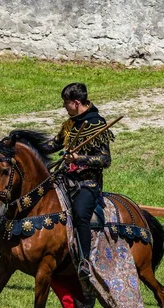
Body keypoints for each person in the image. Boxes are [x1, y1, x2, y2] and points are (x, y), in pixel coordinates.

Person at [41, 82, 115, 280]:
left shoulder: (97, 125)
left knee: (81, 215)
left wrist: (79, 159)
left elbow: (105, 160)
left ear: (76, 102)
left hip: (87, 184)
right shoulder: (69, 124)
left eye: (66, 103)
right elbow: (55, 144)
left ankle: (84, 261)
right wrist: (31, 146)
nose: (64, 107)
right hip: (65, 177)